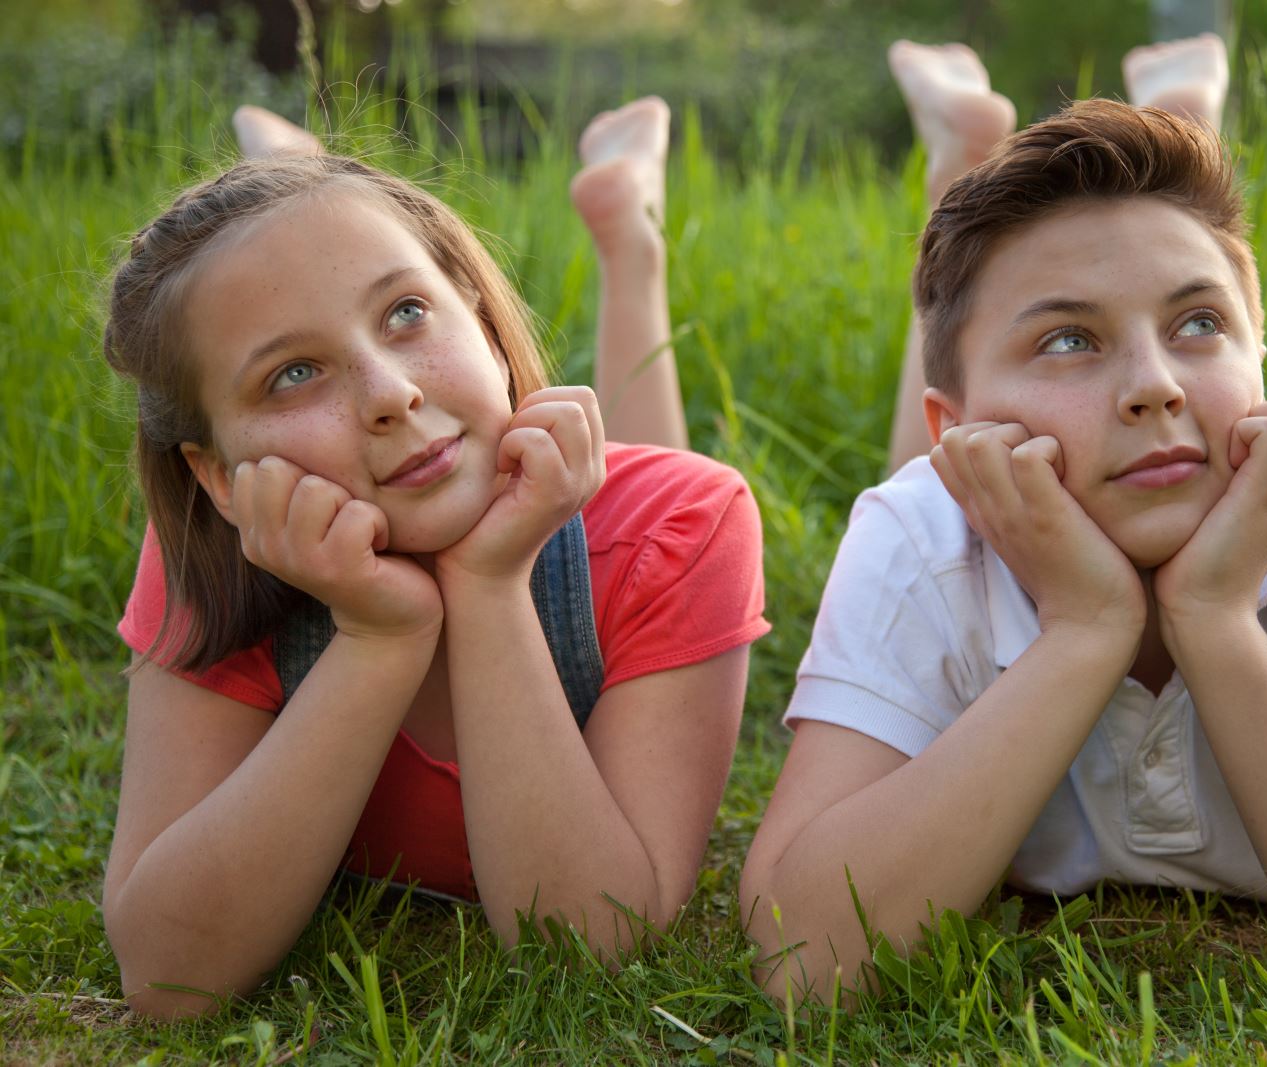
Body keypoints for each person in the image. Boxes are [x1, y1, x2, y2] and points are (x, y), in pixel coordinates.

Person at [741, 37, 1267, 1004]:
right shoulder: (916, 531)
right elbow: (800, 959)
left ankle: (1183, 104)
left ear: (1262, 358)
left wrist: (1218, 621)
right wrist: (1084, 629)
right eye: (1069, 340)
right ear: (960, 436)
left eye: (1200, 323)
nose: (1154, 387)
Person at [101, 97, 769, 1019]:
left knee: (626, 478)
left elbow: (593, 947)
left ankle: (629, 240)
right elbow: (168, 978)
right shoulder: (220, 551)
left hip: (614, 517)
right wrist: (379, 637)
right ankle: (292, 169)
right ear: (218, 477)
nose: (391, 392)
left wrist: (489, 583)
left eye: (408, 311)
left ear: (487, 323)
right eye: (293, 373)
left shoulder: (689, 518)